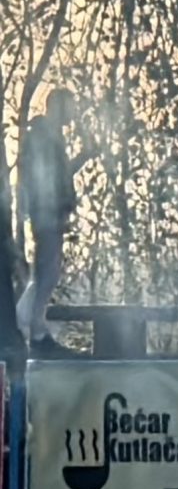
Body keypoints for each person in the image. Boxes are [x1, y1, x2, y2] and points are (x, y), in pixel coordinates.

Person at [15, 89, 92, 353]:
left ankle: (28, 323)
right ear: (56, 107)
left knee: (46, 273)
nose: (72, 114)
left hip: (51, 212)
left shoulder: (50, 136)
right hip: (45, 213)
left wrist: (83, 156)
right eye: (69, 108)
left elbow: (59, 174)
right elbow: (37, 177)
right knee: (46, 273)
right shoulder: (42, 136)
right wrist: (37, 206)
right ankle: (33, 330)